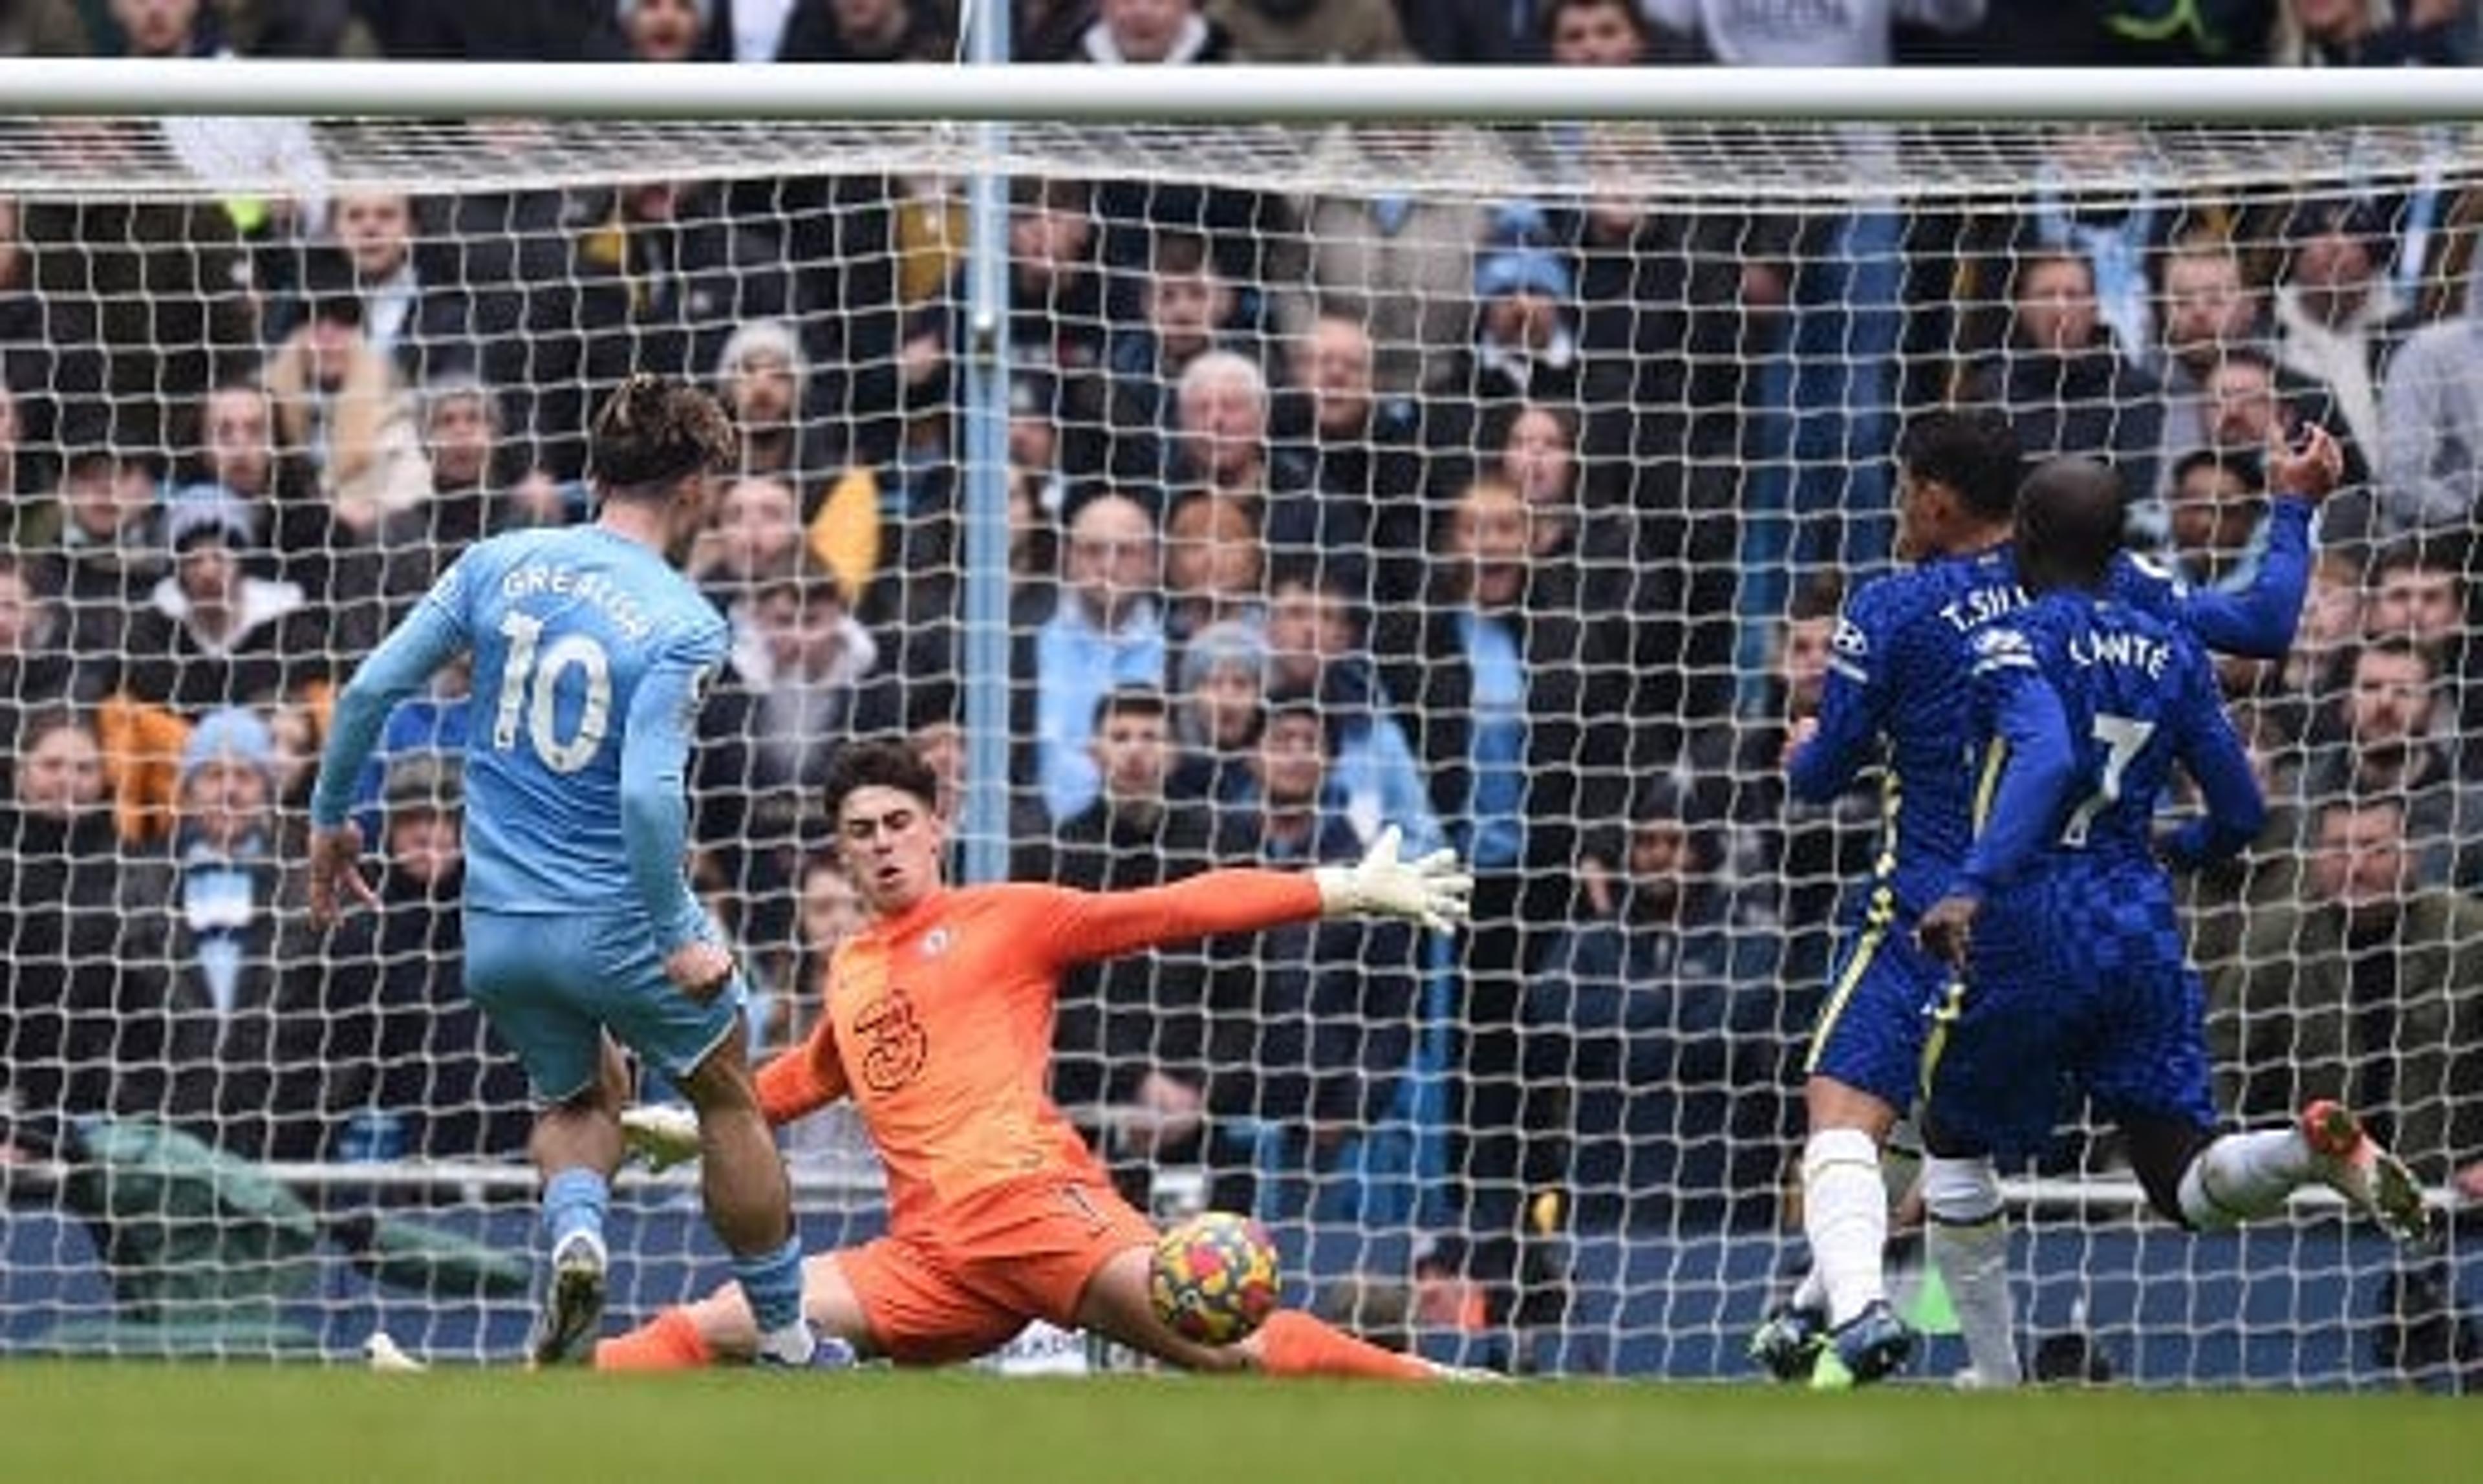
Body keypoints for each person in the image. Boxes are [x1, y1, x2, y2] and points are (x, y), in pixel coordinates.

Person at [1760, 411, 2339, 1392]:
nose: (1903, 508)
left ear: (1937, 497)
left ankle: (1861, 1311)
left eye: (1907, 490)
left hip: (1928, 908)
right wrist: (2292, 507)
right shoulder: (2118, 587)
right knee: (1930, 1128)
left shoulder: (1892, 608)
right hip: (2076, 920)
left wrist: (1803, 743)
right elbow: (2261, 625)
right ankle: (1814, 1311)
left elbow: (1823, 777)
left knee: (1849, 1117)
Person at [596, 737, 1476, 1379]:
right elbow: (821, 1071)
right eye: (861, 831)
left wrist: (1338, 890)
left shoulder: (1010, 917)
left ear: (938, 827)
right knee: (719, 1323)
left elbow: (1172, 909)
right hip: (930, 1260)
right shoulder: (854, 967)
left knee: (1227, 1347)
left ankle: (1448, 1388)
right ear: (842, 850)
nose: (882, 842)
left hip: (1034, 1210)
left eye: (899, 822)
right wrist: (699, 1122)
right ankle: (549, 1389)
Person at [302, 374, 817, 1368]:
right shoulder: (683, 620)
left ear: (594, 474)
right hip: (618, 922)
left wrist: (331, 821)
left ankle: (577, 1235)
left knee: (577, 1099)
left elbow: (369, 688)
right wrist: (678, 930)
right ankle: (793, 1338)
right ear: (698, 487)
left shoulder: (496, 562)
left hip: (497, 928)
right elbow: (645, 797)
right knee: (725, 1093)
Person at [1910, 458, 2430, 1380]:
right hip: (2139, 924)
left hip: (2031, 919)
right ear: (2120, 545)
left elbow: (2045, 755)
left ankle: (1991, 1379)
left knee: (1954, 1143)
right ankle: (2302, 1147)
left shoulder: (2009, 642)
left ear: (2023, 537)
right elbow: (2239, 813)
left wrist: (1976, 881)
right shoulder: (2171, 646)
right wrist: (2173, 853)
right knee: (2185, 1180)